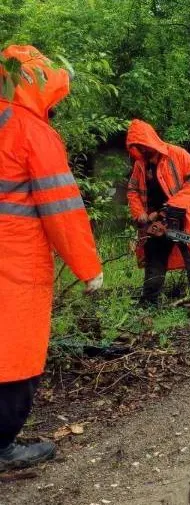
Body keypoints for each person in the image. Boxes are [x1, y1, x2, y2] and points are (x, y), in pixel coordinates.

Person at [0, 45, 103, 471]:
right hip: (14, 266)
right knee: (15, 359)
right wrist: (88, 269)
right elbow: (62, 209)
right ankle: (3, 446)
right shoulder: (30, 131)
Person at [126, 120, 190, 317]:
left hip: (185, 217)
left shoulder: (177, 154)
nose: (142, 151)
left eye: (143, 146)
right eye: (138, 148)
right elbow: (133, 189)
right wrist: (140, 214)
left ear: (151, 141)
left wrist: (174, 206)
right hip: (157, 220)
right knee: (154, 257)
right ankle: (149, 302)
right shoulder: (140, 165)